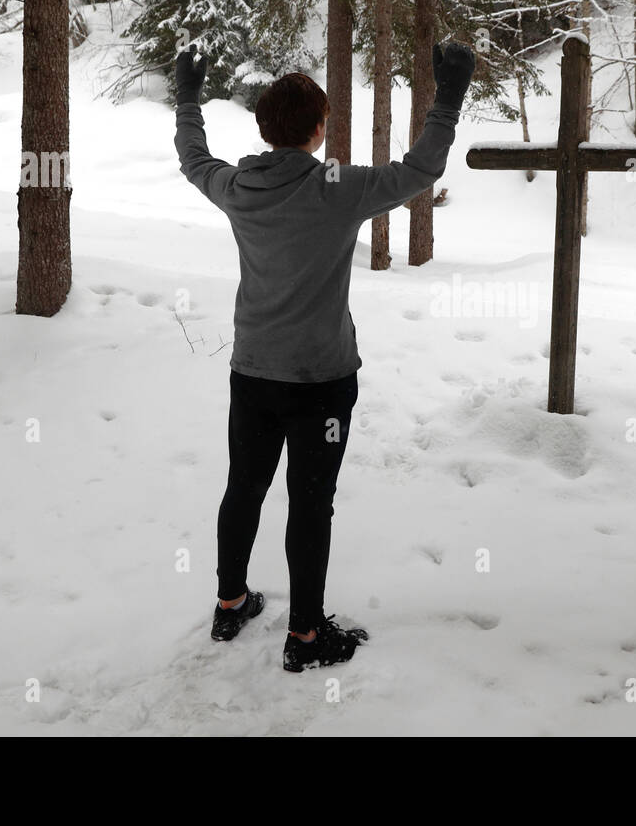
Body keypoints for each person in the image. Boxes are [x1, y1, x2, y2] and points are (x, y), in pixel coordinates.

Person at [173, 39, 476, 672]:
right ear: (319, 130)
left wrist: (187, 96)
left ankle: (231, 604)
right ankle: (305, 638)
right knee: (310, 503)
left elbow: (194, 158)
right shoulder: (337, 188)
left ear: (263, 128)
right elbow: (420, 170)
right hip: (321, 381)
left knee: (243, 489)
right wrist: (447, 96)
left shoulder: (238, 185)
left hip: (252, 374)